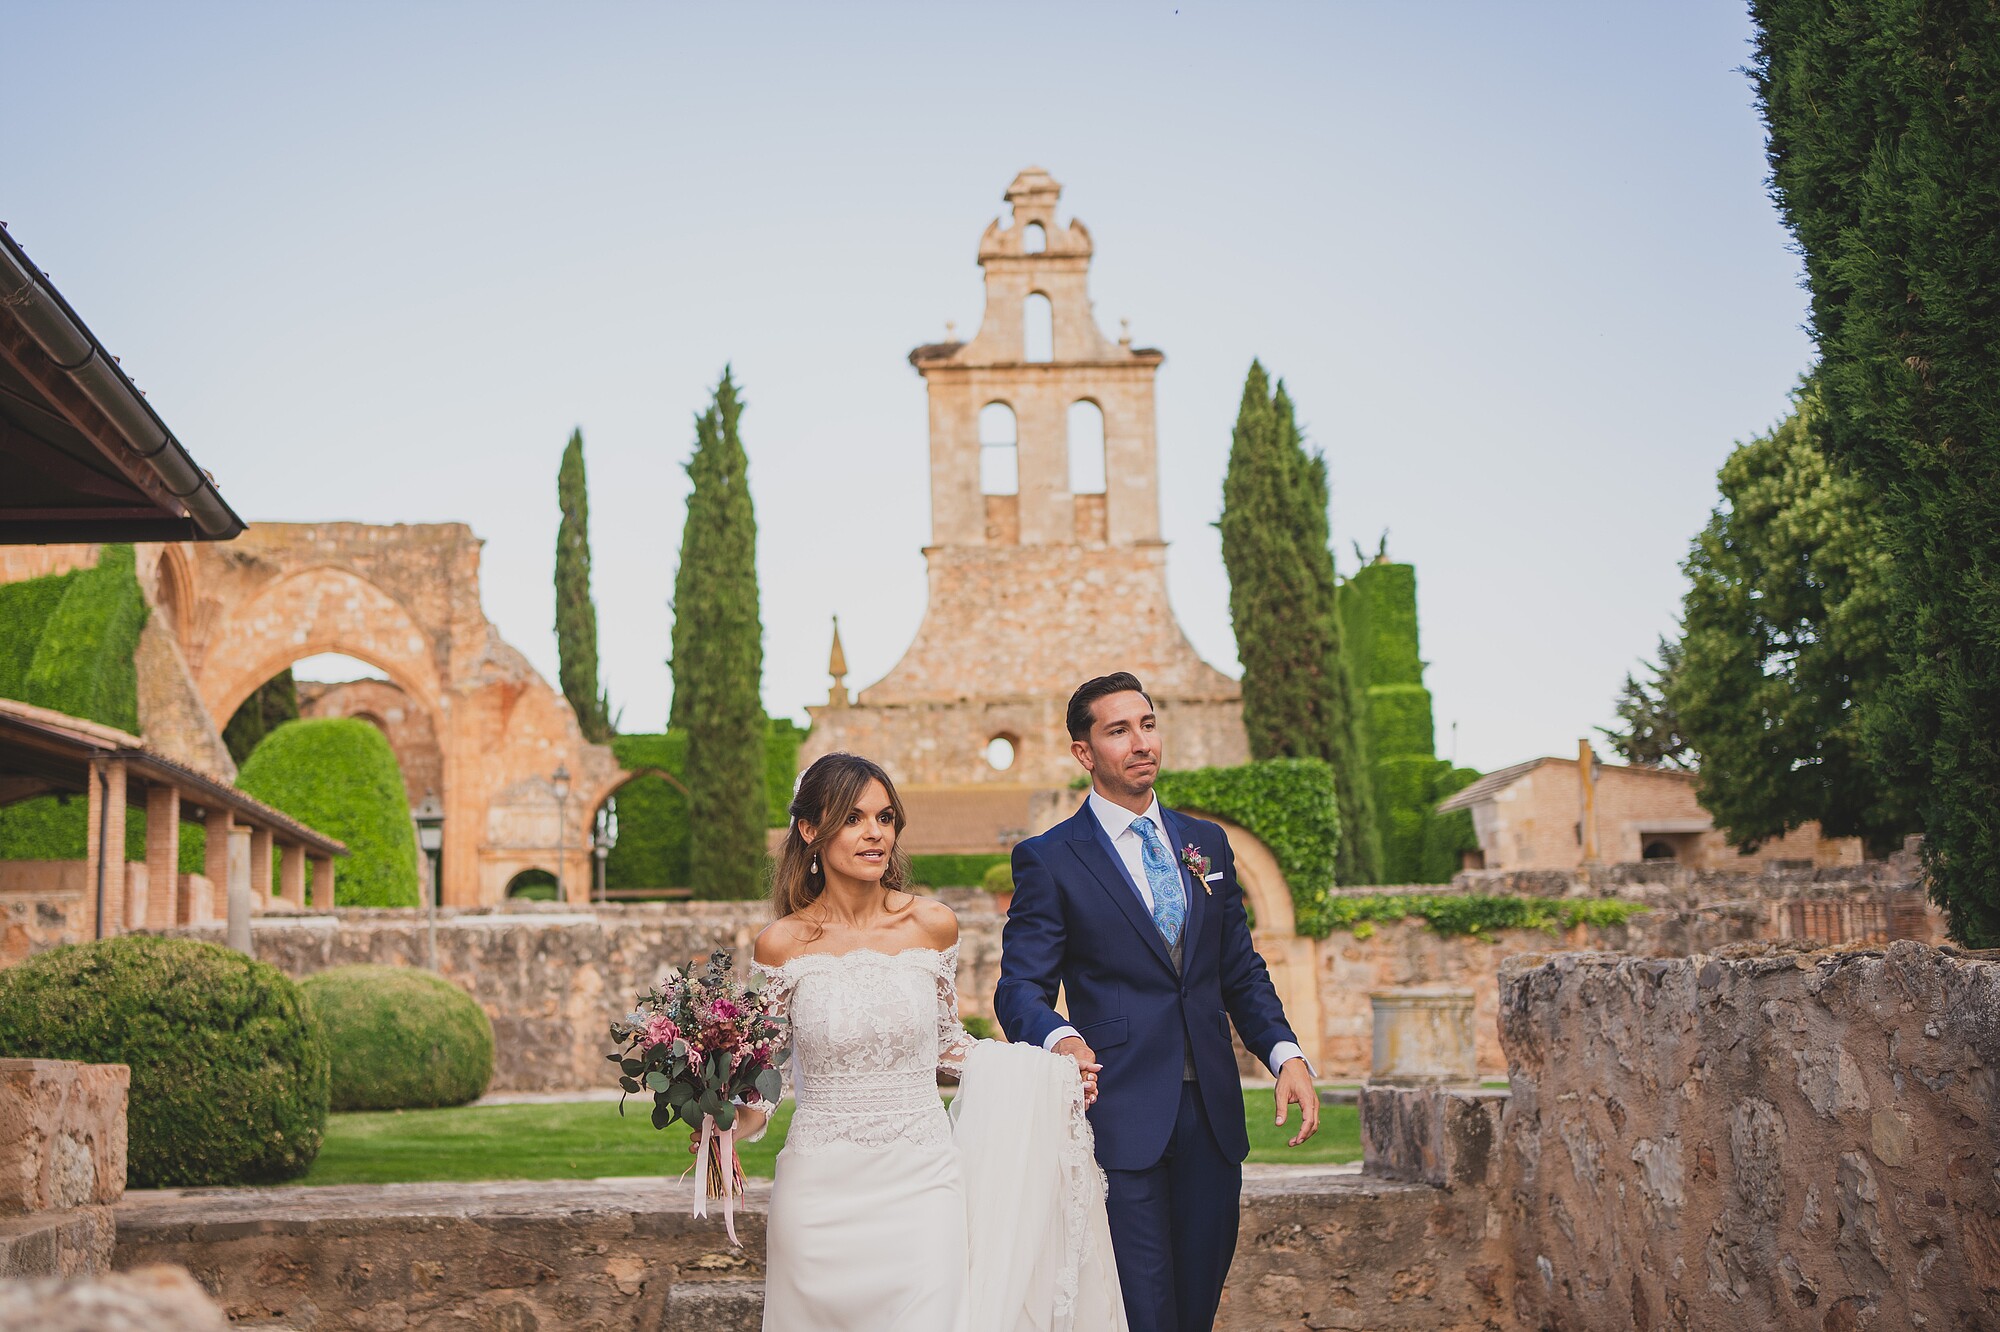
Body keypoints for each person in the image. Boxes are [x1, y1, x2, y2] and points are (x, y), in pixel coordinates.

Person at [722, 751, 1123, 1332]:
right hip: (818, 1193)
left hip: (923, 1181)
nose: (874, 833)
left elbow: (946, 1045)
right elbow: (770, 1079)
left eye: (885, 818)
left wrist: (1051, 1068)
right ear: (810, 830)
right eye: (854, 818)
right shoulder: (780, 944)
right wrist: (722, 1122)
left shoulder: (932, 925)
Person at [996, 672, 1320, 1332]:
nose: (1141, 741)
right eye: (1118, 730)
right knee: (1144, 1314)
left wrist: (1285, 1053)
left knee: (1194, 1310)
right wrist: (1061, 1037)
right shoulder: (1050, 859)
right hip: (1120, 1117)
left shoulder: (1206, 845)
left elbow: (1240, 970)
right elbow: (1019, 989)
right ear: (1084, 752)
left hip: (1214, 1118)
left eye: (1147, 724)